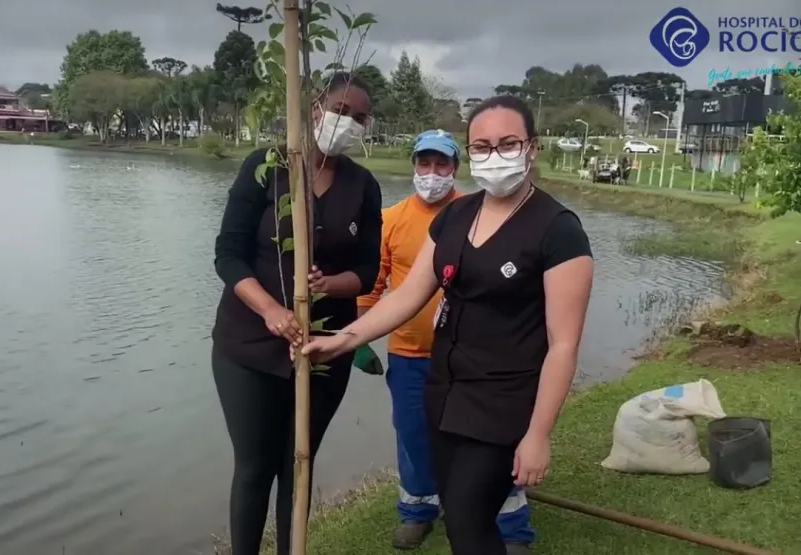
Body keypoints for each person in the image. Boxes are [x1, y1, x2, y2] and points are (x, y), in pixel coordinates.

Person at [301, 95, 594, 555]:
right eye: (481, 146)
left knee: (469, 519)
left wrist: (537, 435)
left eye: (507, 143)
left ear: (532, 148)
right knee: (461, 520)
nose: (493, 155)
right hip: (443, 392)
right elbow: (408, 295)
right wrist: (343, 339)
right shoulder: (457, 216)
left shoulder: (558, 230)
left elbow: (563, 345)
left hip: (503, 400)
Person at [211, 72, 382, 555]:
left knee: (298, 465)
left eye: (359, 117)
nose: (347, 122)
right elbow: (228, 253)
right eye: (340, 110)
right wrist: (269, 309)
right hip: (249, 344)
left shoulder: (363, 185)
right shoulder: (267, 167)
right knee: (254, 466)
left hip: (325, 348)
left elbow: (367, 271)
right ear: (314, 108)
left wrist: (331, 284)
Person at [357, 129, 536, 553]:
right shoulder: (392, 219)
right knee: (413, 434)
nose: (432, 173)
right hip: (409, 354)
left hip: (472, 358)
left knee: (489, 439)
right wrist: (359, 336)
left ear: (456, 168)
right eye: (425, 163)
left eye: (442, 164)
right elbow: (373, 284)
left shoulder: (477, 214)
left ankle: (510, 521)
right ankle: (417, 510)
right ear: (414, 166)